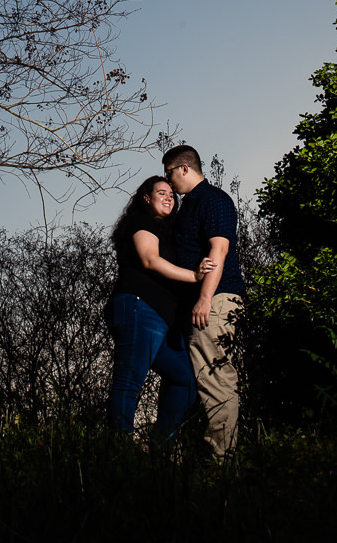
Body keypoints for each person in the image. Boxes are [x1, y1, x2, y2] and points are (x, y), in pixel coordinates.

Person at [105, 175, 214, 446]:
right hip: (138, 307)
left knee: (186, 380)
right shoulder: (141, 221)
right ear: (146, 198)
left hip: (160, 319)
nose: (168, 197)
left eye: (171, 194)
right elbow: (150, 260)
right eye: (161, 193)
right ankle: (118, 456)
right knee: (129, 383)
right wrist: (194, 276)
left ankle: (160, 449)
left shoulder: (166, 231)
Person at [162, 144, 245, 458]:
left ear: (184, 168)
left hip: (216, 300)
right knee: (201, 382)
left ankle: (222, 463)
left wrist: (205, 298)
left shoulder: (212, 200)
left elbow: (218, 251)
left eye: (169, 173)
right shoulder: (190, 205)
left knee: (216, 381)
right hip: (199, 304)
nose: (169, 182)